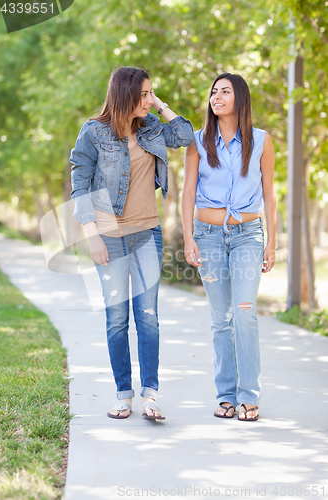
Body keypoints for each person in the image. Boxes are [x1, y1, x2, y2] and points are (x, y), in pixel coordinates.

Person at [70, 67, 194, 420]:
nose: (148, 99)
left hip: (147, 234)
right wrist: (91, 234)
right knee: (116, 318)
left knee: (149, 317)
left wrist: (160, 104)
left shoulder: (152, 126)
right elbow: (79, 181)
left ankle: (150, 395)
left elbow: (185, 136)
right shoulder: (94, 132)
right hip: (108, 235)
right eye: (142, 94)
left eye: (150, 93)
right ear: (124, 94)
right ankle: (123, 394)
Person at [181, 73, 276, 421]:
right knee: (220, 319)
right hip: (207, 236)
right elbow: (188, 192)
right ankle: (226, 396)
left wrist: (272, 244)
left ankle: (249, 395)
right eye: (213, 92)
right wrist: (189, 237)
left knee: (244, 313)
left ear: (240, 99)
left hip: (248, 236)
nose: (216, 97)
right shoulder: (197, 142)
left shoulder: (263, 141)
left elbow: (270, 196)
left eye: (225, 91)